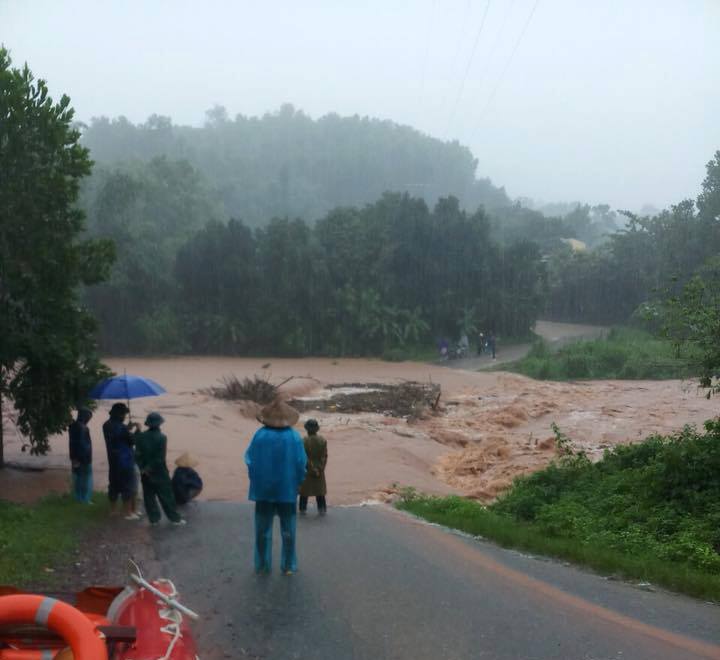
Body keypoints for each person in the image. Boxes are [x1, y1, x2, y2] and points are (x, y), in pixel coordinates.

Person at [245, 399, 307, 576]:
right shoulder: (294, 437)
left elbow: (250, 461)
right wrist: (298, 482)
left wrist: (257, 481)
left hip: (263, 490)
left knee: (262, 530)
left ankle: (262, 565)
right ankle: (288, 565)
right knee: (288, 529)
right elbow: (301, 464)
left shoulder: (259, 435)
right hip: (287, 490)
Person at [135, 412, 186, 526]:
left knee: (149, 496)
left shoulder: (140, 437)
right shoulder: (162, 438)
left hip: (145, 473)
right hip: (159, 472)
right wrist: (149, 468)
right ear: (159, 424)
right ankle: (174, 518)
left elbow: (137, 455)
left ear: (148, 424)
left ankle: (154, 519)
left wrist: (143, 468)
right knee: (166, 496)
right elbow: (160, 458)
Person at [102, 403, 139, 520]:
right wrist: (137, 430)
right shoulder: (122, 428)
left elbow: (117, 436)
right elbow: (133, 441)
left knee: (113, 485)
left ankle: (113, 510)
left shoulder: (106, 425)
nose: (125, 416)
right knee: (128, 486)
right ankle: (128, 513)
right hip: (125, 461)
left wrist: (127, 428)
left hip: (113, 460)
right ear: (120, 415)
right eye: (124, 414)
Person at [298, 418, 328, 515]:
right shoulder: (323, 440)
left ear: (306, 429)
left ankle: (302, 509)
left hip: (307, 468)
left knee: (304, 491)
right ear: (317, 429)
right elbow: (324, 456)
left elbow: (302, 457)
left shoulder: (303, 441)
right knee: (320, 491)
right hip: (319, 468)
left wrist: (309, 468)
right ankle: (322, 509)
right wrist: (320, 468)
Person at [68, 407, 93, 504]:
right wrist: (83, 458)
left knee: (77, 478)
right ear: (85, 417)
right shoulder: (83, 428)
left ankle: (78, 498)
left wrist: (74, 458)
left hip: (74, 457)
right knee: (85, 479)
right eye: (88, 417)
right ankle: (85, 499)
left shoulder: (72, 426)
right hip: (84, 458)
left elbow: (72, 443)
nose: (89, 420)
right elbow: (83, 445)